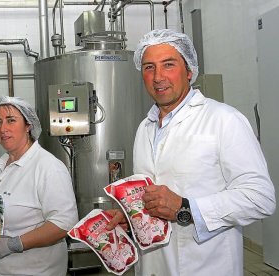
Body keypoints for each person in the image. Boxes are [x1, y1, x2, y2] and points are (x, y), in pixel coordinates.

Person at [109, 29, 276, 275]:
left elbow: (260, 198)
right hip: (153, 266)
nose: (158, 77)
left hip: (205, 265)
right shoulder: (145, 127)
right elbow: (152, 196)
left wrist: (186, 208)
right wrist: (132, 218)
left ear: (189, 71)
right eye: (149, 67)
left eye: (168, 65)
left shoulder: (224, 120)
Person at [0, 96, 79, 276]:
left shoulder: (48, 167)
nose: (3, 129)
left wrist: (15, 244)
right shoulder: (0, 164)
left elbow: (64, 223)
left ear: (28, 126)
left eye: (11, 121)